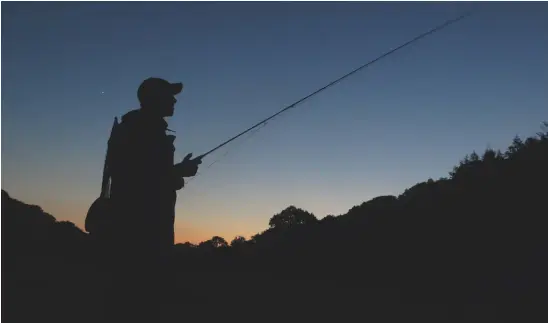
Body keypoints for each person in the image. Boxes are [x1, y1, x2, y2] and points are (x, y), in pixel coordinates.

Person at [106, 77, 201, 255]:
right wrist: (180, 171)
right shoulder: (141, 130)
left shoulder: (143, 128)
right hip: (142, 232)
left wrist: (178, 172)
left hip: (148, 228)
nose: (174, 100)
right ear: (154, 99)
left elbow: (152, 172)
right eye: (169, 96)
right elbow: (137, 179)